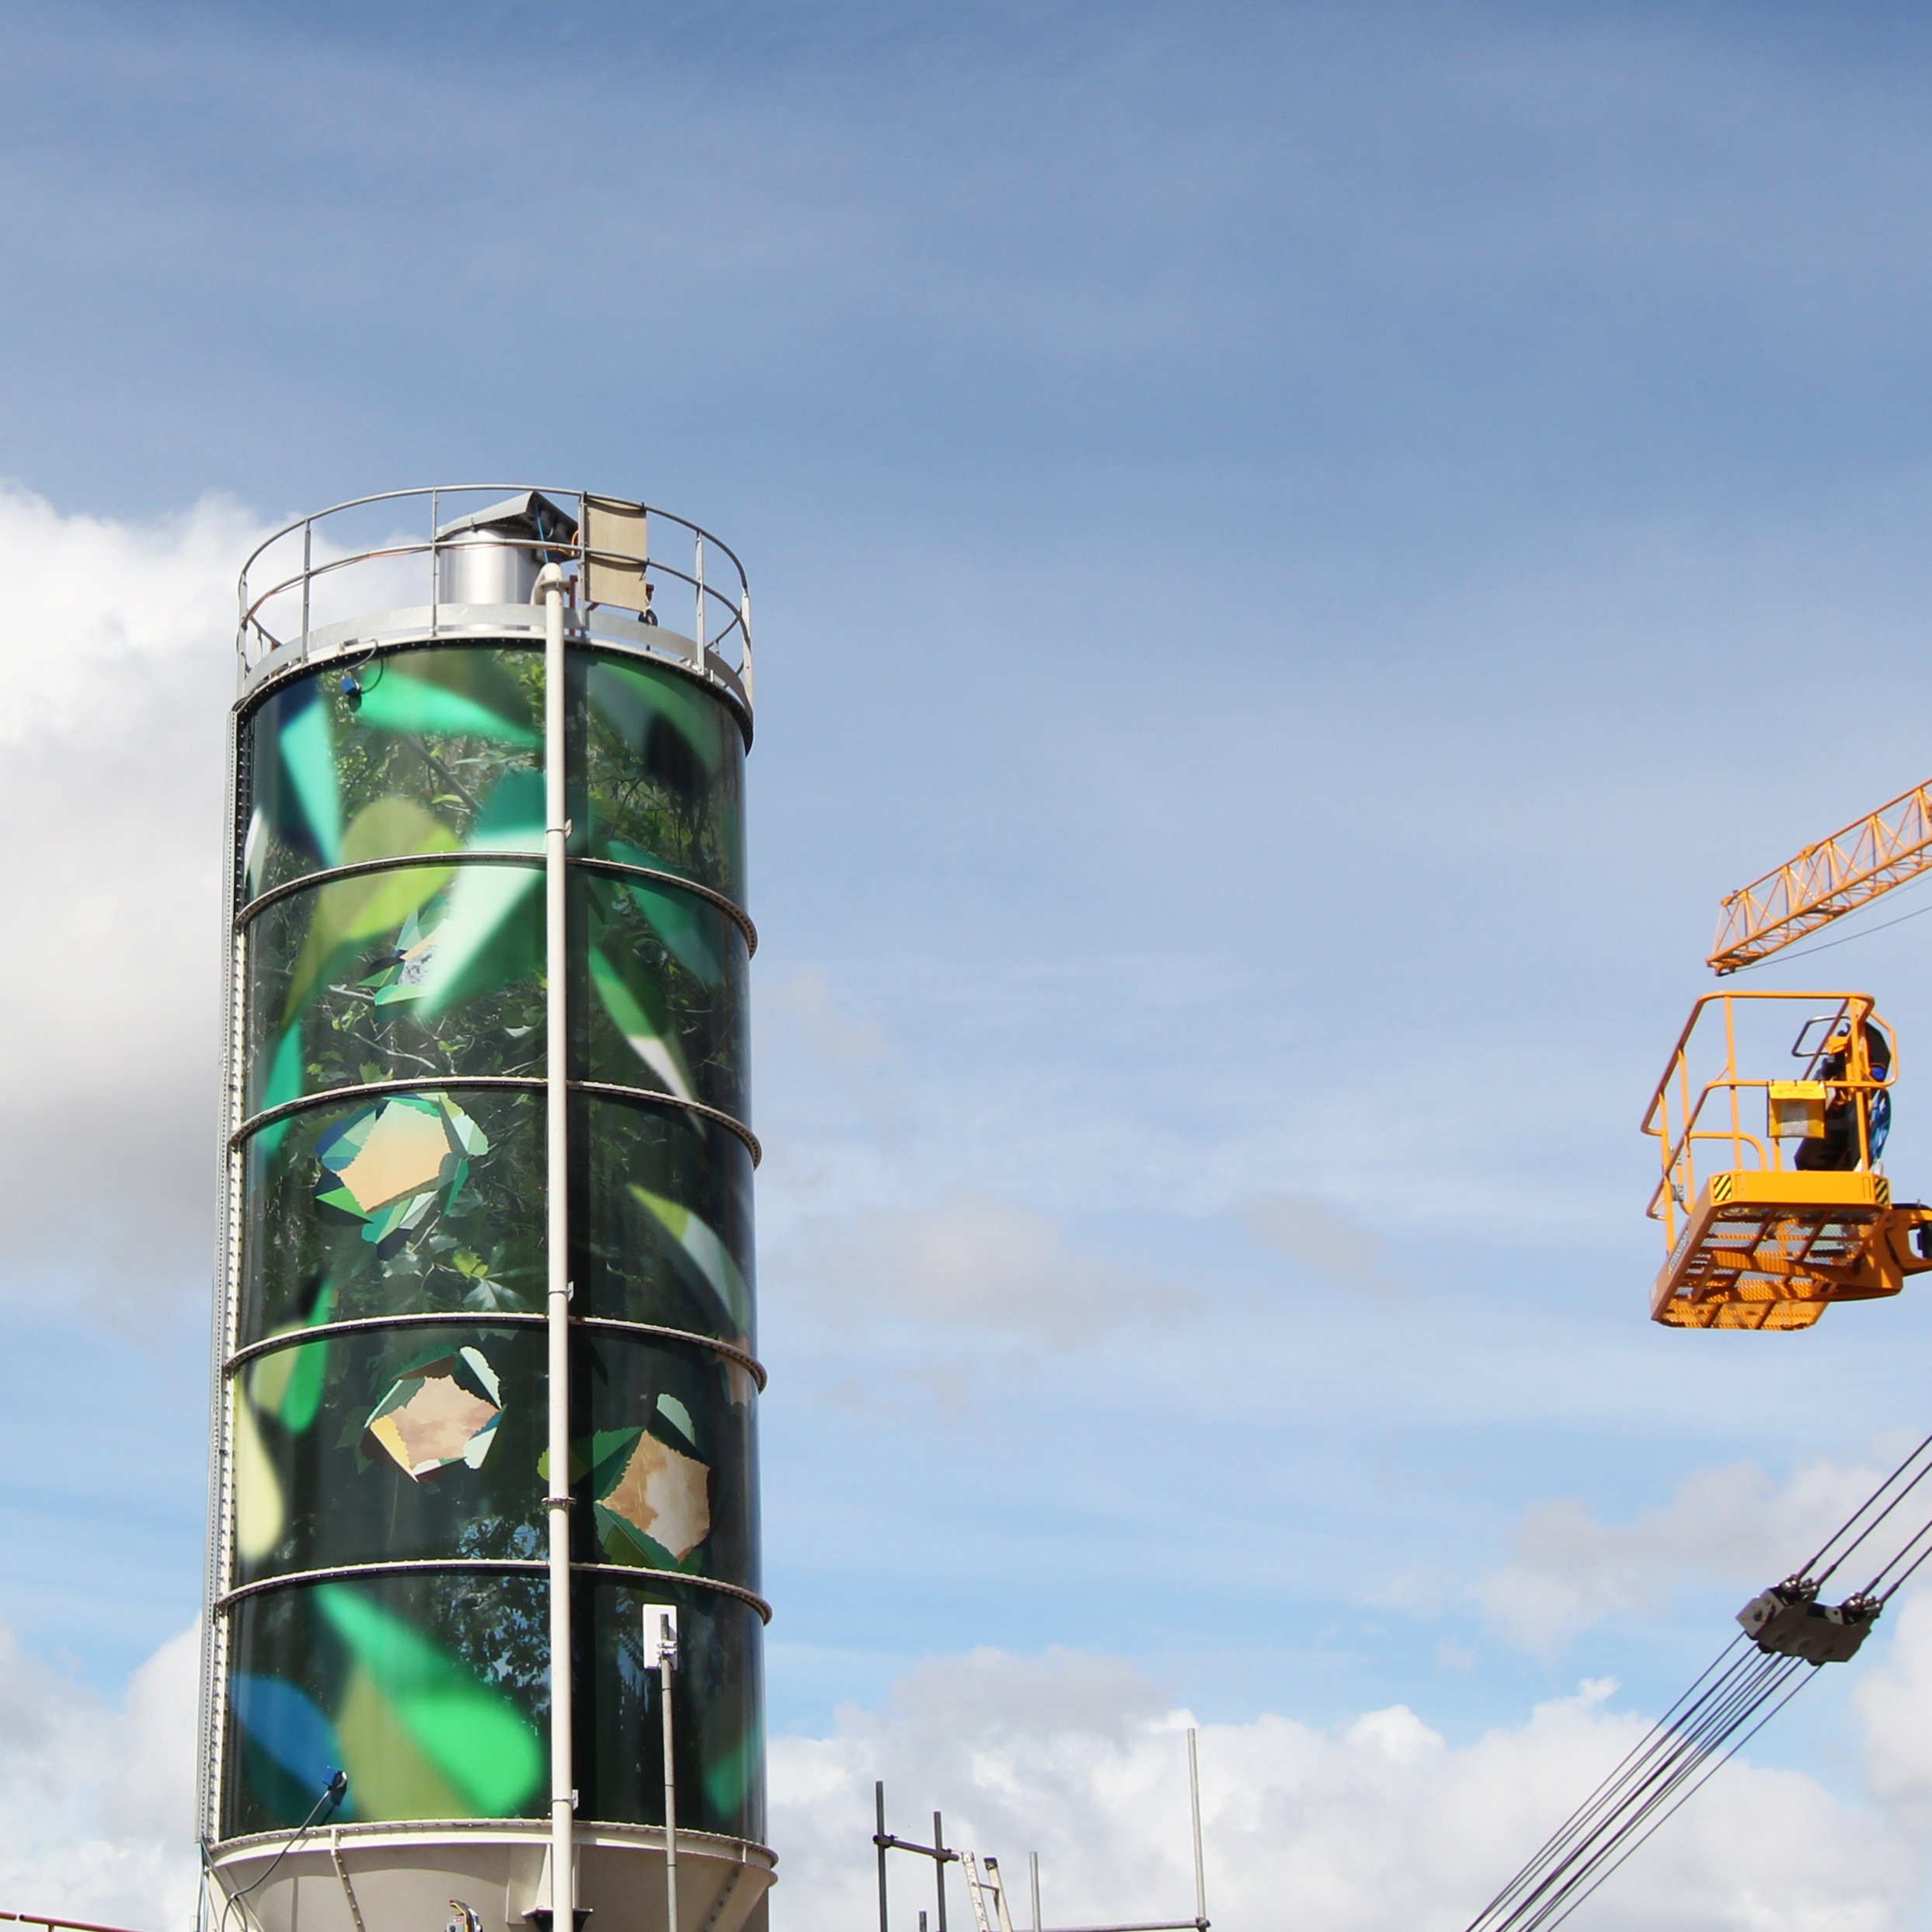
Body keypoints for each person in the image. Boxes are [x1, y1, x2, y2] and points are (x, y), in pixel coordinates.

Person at [1795, 1015, 1892, 1171]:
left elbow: (1878, 1072)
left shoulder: (1870, 1043)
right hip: (1835, 1114)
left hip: (1849, 1110)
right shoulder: (1834, 1076)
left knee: (1855, 1113)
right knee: (1804, 1159)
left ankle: (1860, 1163)